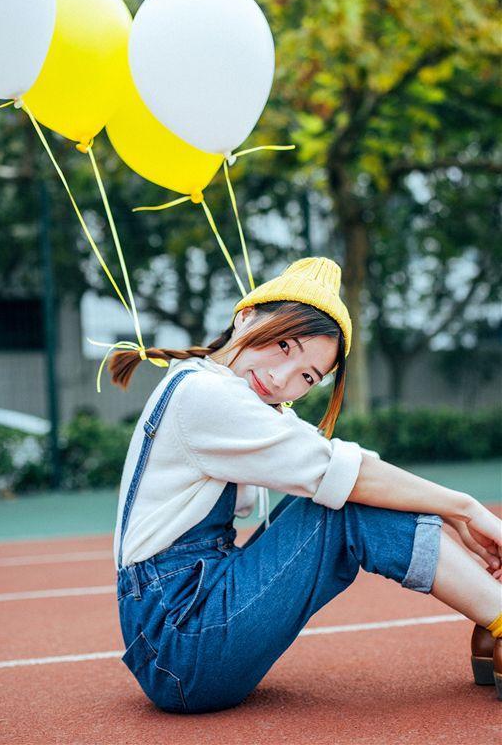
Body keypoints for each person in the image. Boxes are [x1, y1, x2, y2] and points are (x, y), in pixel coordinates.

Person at [108, 257, 502, 714]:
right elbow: (344, 475)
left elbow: (354, 468)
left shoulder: (210, 385)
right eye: (283, 346)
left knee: (352, 487)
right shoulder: (205, 395)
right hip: (181, 641)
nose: (282, 378)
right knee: (345, 503)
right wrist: (464, 509)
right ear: (245, 317)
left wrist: (451, 513)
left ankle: (492, 615)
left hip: (183, 623)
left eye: (307, 377)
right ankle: (497, 612)